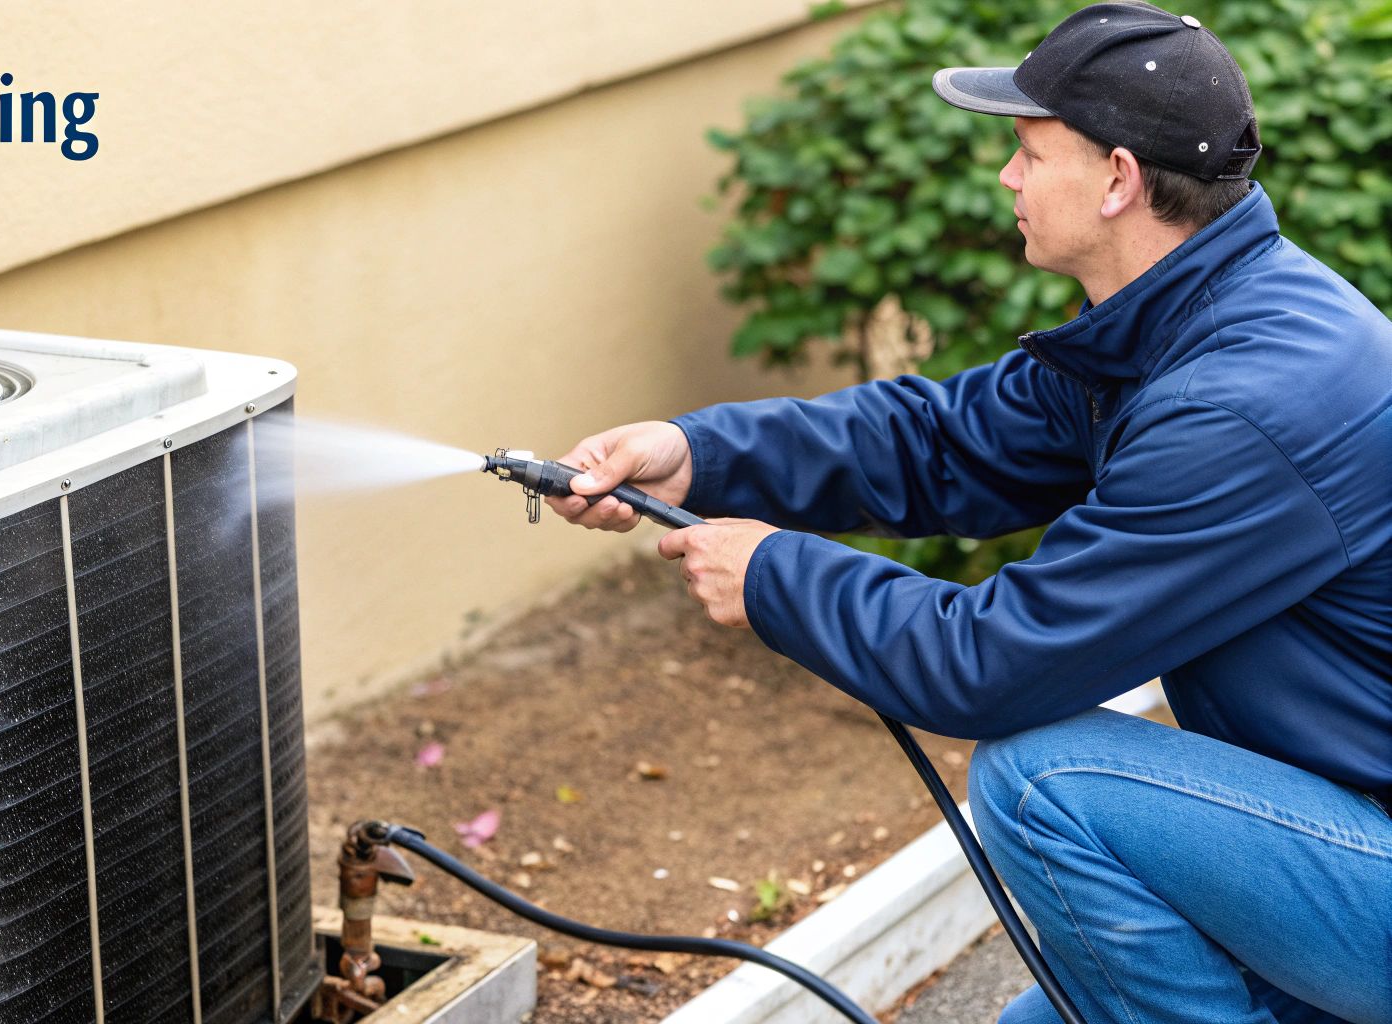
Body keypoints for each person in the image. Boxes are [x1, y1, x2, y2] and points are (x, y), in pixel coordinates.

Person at [545, 4, 1392, 1022]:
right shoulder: (1184, 324)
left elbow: (994, 664)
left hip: (1370, 860)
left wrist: (774, 574)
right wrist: (695, 454)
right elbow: (944, 440)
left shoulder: (1242, 404)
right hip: (1341, 828)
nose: (1006, 177)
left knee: (1043, 779)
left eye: (1028, 152)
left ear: (1116, 179)